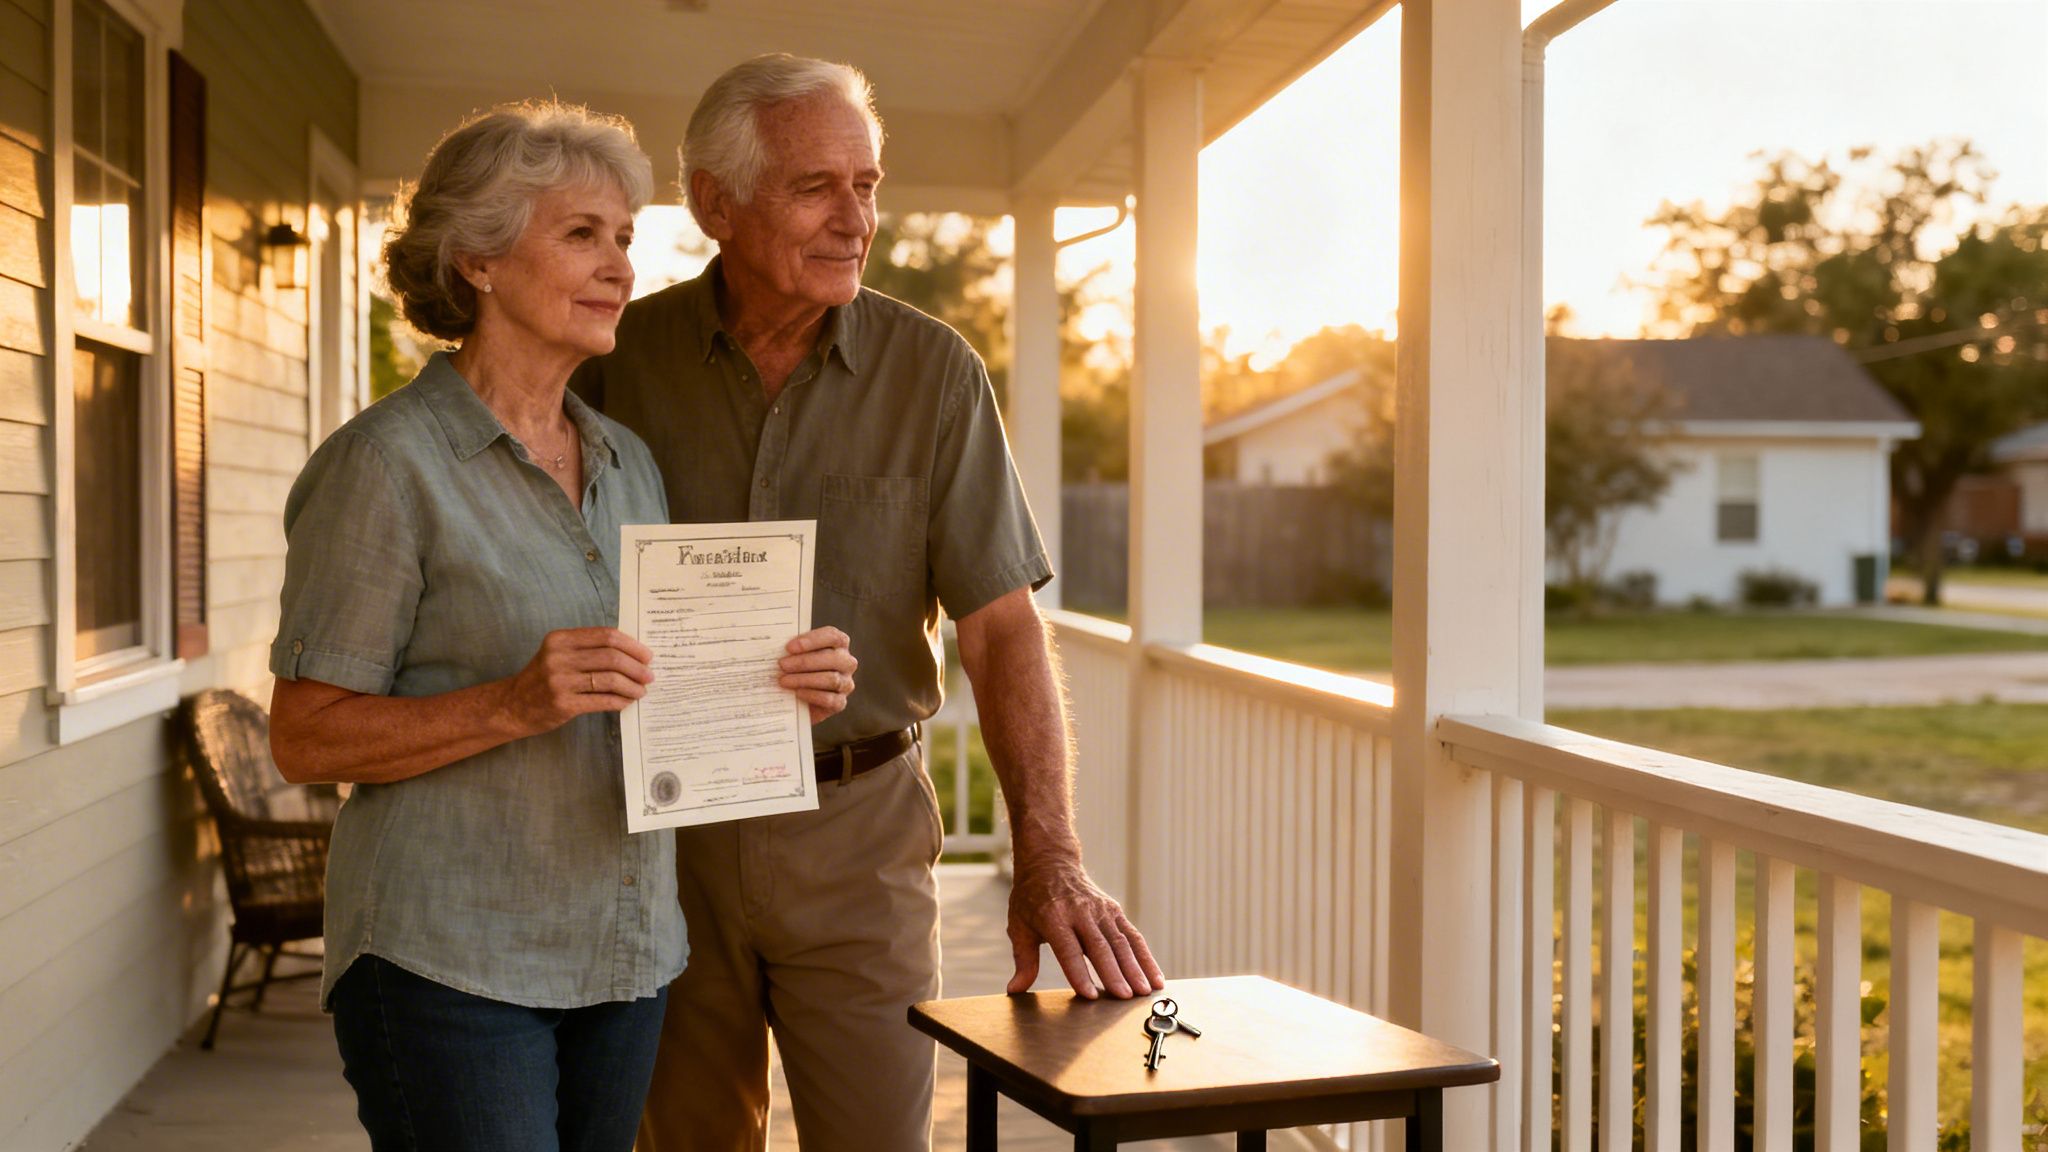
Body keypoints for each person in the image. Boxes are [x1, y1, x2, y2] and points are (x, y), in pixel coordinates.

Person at [574, 54, 1161, 1151]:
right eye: (815, 186)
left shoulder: (932, 371)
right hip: (660, 832)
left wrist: (1049, 852)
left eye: (868, 184)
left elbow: (997, 625)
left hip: (858, 833)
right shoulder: (614, 362)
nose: (856, 219)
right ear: (713, 201)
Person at [265, 101, 856, 1152]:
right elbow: (306, 735)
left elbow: (644, 688)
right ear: (480, 261)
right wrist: (509, 702)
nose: (619, 266)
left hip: (623, 952)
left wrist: (772, 680)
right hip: (447, 960)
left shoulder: (625, 459)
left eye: (624, 238)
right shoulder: (385, 468)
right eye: (581, 234)